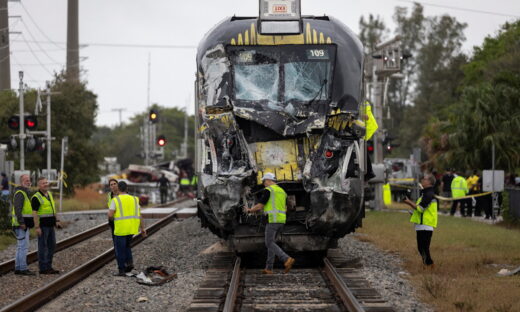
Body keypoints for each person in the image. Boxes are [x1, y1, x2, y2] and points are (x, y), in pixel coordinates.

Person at [244, 173, 295, 274]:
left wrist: (249, 210)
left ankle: (286, 259)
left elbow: (260, 206)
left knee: (269, 243)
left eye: (263, 181)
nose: (263, 184)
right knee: (272, 243)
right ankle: (269, 268)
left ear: (268, 180)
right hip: (281, 221)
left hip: (273, 220)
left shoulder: (269, 190)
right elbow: (286, 207)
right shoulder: (282, 191)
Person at [108, 181, 146, 276]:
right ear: (127, 188)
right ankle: (129, 264)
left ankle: (121, 270)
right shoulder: (134, 199)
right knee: (127, 246)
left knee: (120, 249)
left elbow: (110, 215)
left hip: (121, 228)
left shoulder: (115, 200)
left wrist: (114, 220)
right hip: (132, 228)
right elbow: (140, 214)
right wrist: (142, 229)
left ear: (118, 189)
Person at [404, 174, 438, 268]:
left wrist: (409, 202)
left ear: (429, 182)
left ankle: (430, 265)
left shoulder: (429, 194)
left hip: (426, 225)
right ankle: (427, 265)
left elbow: (420, 208)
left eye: (425, 179)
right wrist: (412, 213)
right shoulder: (424, 194)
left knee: (424, 248)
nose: (422, 180)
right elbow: (420, 211)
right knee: (421, 248)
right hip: (421, 225)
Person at [31, 177, 61, 274]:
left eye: (46, 182)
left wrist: (57, 220)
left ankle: (48, 266)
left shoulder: (50, 195)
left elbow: (53, 209)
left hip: (51, 225)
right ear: (39, 185)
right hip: (42, 226)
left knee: (52, 245)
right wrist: (37, 227)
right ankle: (43, 268)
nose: (46, 184)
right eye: (43, 183)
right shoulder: (36, 197)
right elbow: (34, 213)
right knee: (43, 247)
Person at [11, 174, 35, 275]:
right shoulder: (20, 193)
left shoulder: (24, 193)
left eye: (29, 180)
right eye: (26, 180)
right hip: (21, 225)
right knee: (23, 247)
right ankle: (23, 269)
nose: (28, 182)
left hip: (22, 225)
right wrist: (22, 223)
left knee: (20, 247)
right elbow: (18, 209)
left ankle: (18, 268)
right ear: (21, 182)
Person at [107, 179, 119, 244]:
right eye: (111, 185)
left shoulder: (122, 194)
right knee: (115, 240)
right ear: (110, 187)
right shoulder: (109, 195)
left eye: (115, 184)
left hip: (120, 220)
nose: (113, 186)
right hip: (112, 220)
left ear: (117, 184)